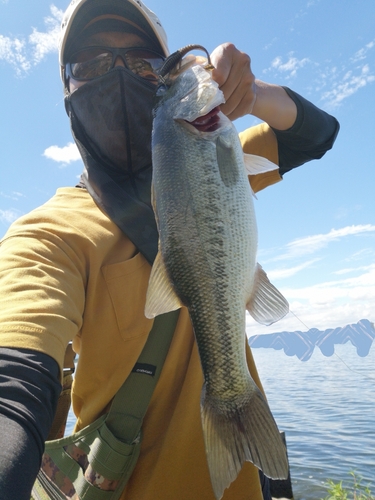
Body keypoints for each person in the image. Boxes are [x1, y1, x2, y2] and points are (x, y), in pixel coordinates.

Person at [0, 0, 340, 499]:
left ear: (161, 82)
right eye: (91, 65)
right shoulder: (46, 236)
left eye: (142, 63)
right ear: (68, 94)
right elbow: (15, 386)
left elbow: (318, 133)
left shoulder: (212, 159)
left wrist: (255, 93)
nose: (118, 75)